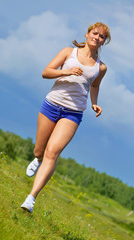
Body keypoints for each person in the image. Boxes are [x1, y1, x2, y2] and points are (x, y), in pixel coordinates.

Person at [21, 22, 111, 213]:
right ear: (87, 34)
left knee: (52, 153)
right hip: (52, 104)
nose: (97, 37)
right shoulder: (68, 52)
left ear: (104, 41)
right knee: (40, 151)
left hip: (73, 112)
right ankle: (37, 160)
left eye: (101, 36)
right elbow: (46, 72)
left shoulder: (100, 68)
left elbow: (94, 86)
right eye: (94, 33)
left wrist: (94, 102)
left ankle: (31, 198)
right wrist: (66, 71)